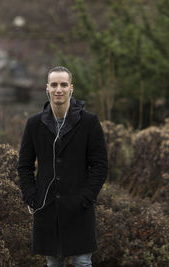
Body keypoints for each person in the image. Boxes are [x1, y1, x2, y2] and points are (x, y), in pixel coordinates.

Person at [17, 66, 108, 267]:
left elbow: (100, 166)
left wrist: (86, 197)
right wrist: (32, 197)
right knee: (53, 263)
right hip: (47, 208)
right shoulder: (34, 124)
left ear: (71, 88)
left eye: (63, 85)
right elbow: (24, 166)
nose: (59, 89)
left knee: (83, 262)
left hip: (80, 209)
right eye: (54, 85)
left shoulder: (89, 122)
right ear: (47, 88)